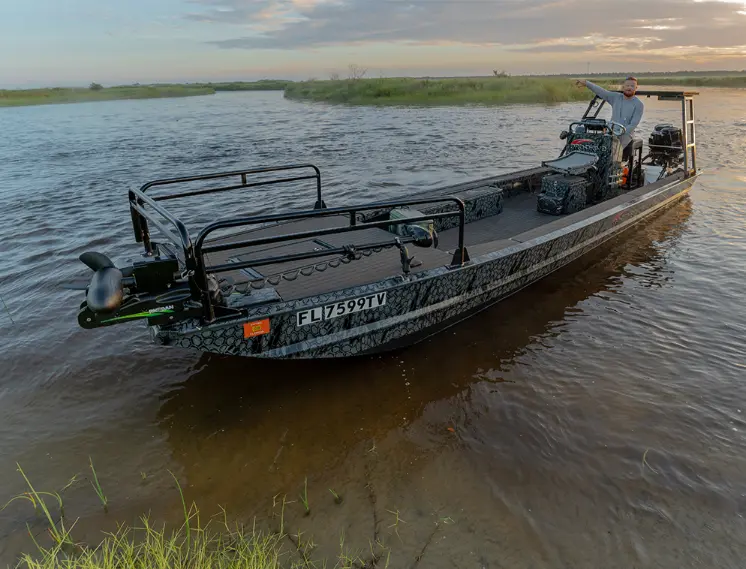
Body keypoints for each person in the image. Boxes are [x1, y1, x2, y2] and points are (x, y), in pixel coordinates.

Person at [575, 77, 644, 153]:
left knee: (614, 152)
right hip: (611, 131)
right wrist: (586, 83)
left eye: (632, 86)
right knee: (594, 146)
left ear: (636, 88)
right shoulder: (615, 97)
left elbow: (633, 124)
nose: (629, 88)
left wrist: (619, 133)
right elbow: (602, 92)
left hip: (625, 135)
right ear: (623, 87)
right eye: (627, 85)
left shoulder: (639, 104)